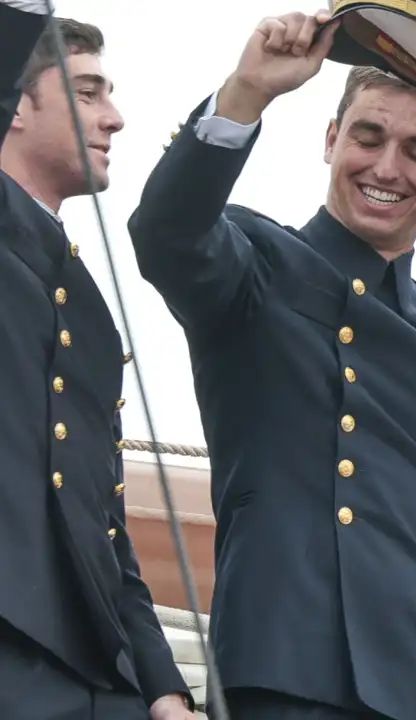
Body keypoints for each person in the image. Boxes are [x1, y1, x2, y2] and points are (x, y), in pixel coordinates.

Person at [126, 10, 416, 720]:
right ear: (330, 140)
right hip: (289, 667)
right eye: (368, 136)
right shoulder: (256, 264)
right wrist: (248, 91)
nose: (387, 167)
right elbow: (167, 231)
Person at [0, 2, 194, 718]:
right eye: (87, 92)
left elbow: (103, 522)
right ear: (13, 106)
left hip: (97, 675)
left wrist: (165, 686)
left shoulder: (87, 308)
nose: (114, 117)